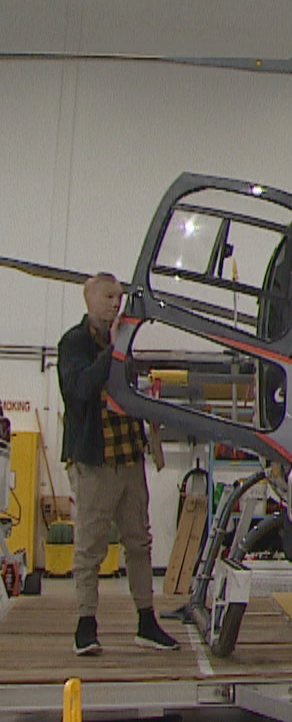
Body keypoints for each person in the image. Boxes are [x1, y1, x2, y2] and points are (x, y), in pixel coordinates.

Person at [57, 272, 177, 655]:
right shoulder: (74, 344)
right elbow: (79, 390)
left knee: (139, 542)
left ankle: (146, 621)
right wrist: (113, 352)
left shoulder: (124, 342)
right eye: (108, 296)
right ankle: (85, 624)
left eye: (119, 296)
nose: (115, 302)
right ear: (89, 298)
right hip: (95, 461)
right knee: (89, 548)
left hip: (128, 457)